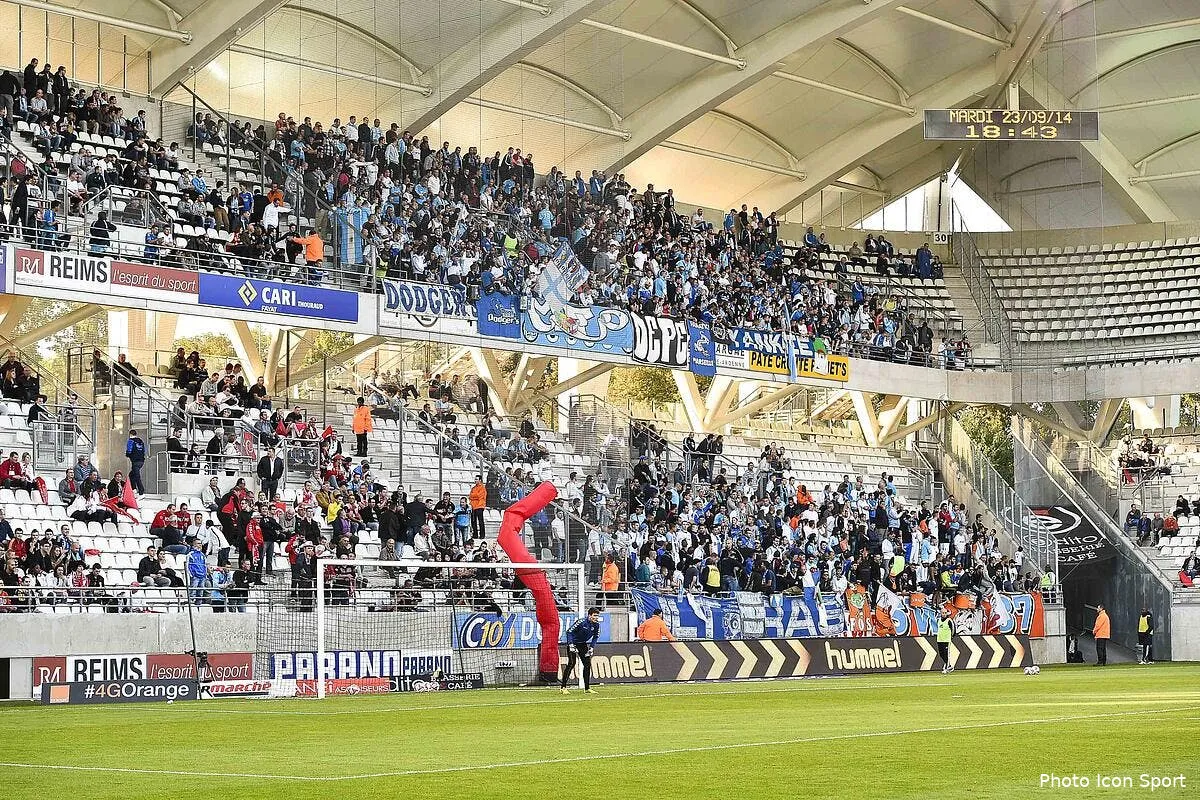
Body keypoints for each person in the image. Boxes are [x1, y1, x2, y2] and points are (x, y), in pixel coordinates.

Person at [560, 607, 602, 695]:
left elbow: (595, 636)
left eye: (597, 616)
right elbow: (569, 632)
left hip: (582, 644)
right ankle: (563, 687)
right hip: (573, 644)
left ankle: (587, 688)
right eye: (594, 615)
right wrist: (571, 644)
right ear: (589, 615)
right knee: (572, 663)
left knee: (587, 664)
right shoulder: (581, 622)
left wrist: (591, 647)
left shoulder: (596, 625)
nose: (596, 617)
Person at [125, 429, 146, 495]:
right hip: (141, 461)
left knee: (136, 476)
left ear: (130, 434)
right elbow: (144, 451)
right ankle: (133, 489)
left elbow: (129, 451)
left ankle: (140, 490)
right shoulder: (141, 441)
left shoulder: (130, 441)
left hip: (135, 461)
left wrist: (128, 455)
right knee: (131, 475)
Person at [469, 474, 487, 540]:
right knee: (473, 521)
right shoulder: (473, 488)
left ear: (480, 480)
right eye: (475, 479)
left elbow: (479, 496)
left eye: (476, 479)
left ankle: (482, 535)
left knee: (480, 521)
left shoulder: (482, 488)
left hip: (479, 506)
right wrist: (474, 496)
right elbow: (470, 496)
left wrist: (474, 496)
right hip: (473, 506)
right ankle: (475, 534)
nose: (475, 480)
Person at [937, 606, 954, 673]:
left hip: (946, 640)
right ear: (940, 613)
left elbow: (953, 630)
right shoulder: (938, 620)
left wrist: (951, 637)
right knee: (941, 654)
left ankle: (947, 668)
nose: (944, 614)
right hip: (939, 640)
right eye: (942, 613)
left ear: (947, 613)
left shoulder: (949, 621)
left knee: (946, 654)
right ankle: (949, 665)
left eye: (945, 613)